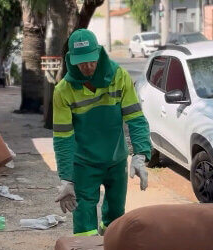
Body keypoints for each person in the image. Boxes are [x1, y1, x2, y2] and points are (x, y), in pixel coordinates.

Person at [53, 29, 151, 236]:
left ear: (98, 53)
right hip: (84, 164)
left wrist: (140, 154)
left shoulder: (119, 77)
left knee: (116, 215)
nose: (87, 67)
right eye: (81, 62)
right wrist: (66, 178)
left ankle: (109, 249)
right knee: (83, 218)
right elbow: (63, 138)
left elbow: (135, 118)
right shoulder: (63, 90)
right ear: (71, 60)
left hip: (115, 160)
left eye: (91, 60)